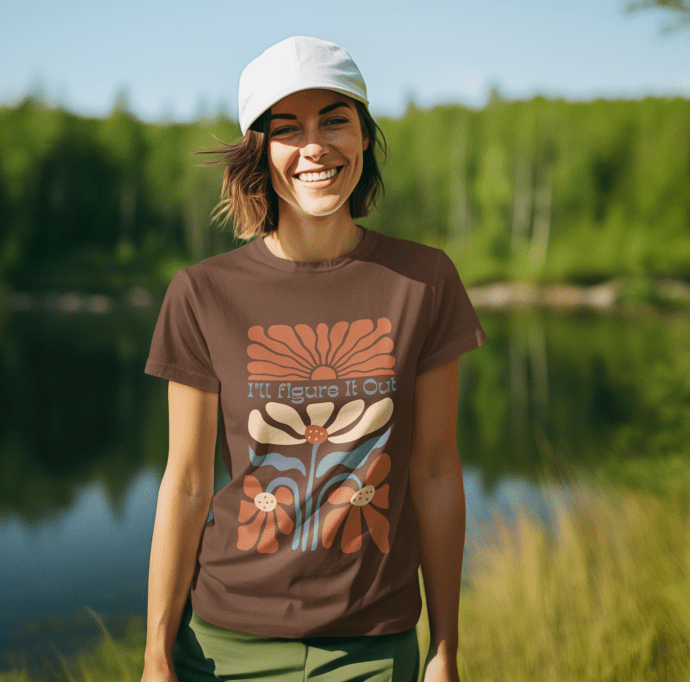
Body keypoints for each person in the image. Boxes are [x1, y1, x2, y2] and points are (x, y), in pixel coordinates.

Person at [142, 36, 487, 682]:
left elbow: (436, 473)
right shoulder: (201, 292)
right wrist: (156, 655)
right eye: (286, 129)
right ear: (260, 152)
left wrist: (444, 649)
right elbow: (186, 482)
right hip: (223, 646)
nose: (314, 147)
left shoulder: (424, 280)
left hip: (373, 648)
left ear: (363, 137)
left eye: (334, 120)